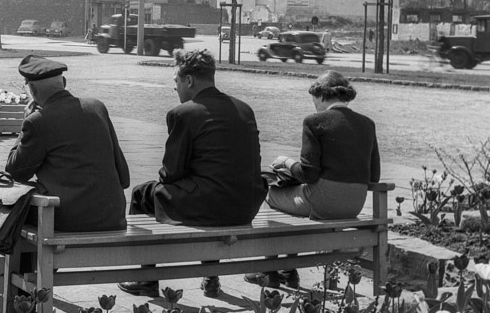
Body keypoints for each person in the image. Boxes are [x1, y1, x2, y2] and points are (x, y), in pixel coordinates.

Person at [118, 48, 266, 298]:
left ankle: (146, 278)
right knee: (210, 185)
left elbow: (171, 174)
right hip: (245, 205)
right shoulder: (244, 109)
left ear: (189, 80)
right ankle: (210, 276)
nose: (174, 87)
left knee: (141, 194)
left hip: (210, 207)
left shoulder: (184, 113)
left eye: (176, 80)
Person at [252, 70, 381, 289]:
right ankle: (288, 271)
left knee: (272, 195)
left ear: (321, 96)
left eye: (314, 98)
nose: (313, 103)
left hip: (322, 202)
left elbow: (309, 175)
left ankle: (272, 270)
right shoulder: (367, 124)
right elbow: (374, 176)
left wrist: (286, 162)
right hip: (354, 205)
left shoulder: (314, 121)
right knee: (292, 201)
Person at [5, 54, 129, 232]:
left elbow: (15, 172)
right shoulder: (97, 107)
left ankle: (30, 261)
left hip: (67, 219)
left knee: (10, 211)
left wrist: (26, 121)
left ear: (32, 89)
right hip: (112, 216)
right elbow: (123, 176)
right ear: (63, 81)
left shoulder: (37, 122)